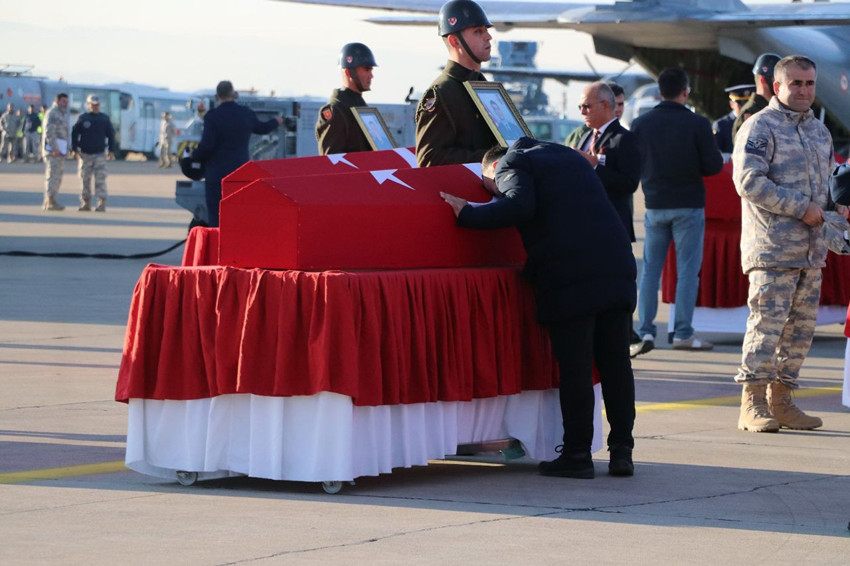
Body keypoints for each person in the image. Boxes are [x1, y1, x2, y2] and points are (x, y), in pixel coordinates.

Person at [440, 138, 637, 478]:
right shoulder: (567, 157)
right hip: (617, 267)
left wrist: (469, 212)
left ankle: (577, 455)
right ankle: (622, 452)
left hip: (572, 277)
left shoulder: (511, 163)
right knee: (616, 364)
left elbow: (519, 205)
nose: (495, 191)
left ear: (492, 168)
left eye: (491, 186)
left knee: (576, 367)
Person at [732, 55, 850, 432]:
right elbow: (749, 182)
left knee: (799, 334)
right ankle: (752, 403)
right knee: (766, 328)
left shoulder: (819, 131)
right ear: (777, 86)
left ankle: (782, 401)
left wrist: (837, 208)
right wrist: (802, 208)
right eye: (796, 83)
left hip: (812, 251)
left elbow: (827, 188)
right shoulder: (759, 127)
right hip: (773, 249)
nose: (804, 90)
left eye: (809, 83)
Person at [630, 67, 724, 357]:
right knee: (687, 272)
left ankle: (645, 330)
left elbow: (634, 163)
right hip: (688, 205)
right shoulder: (698, 123)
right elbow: (713, 166)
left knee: (650, 272)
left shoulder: (641, 123)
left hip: (655, 205)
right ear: (686, 92)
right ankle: (683, 333)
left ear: (659, 92)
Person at [415, 0, 497, 167]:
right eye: (478, 31)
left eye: (486, 30)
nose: (488, 37)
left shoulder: (484, 87)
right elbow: (429, 159)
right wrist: (491, 158)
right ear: (455, 41)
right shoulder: (442, 93)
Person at [191, 80, 284, 227]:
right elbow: (263, 128)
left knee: (216, 216)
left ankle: (219, 241)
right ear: (234, 95)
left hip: (217, 176)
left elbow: (207, 146)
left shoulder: (212, 117)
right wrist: (277, 121)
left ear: (217, 97)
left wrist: (194, 155)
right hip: (240, 174)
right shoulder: (246, 113)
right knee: (238, 215)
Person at [315, 42, 377, 155]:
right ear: (349, 72)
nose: (371, 76)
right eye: (367, 69)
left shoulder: (362, 108)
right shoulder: (336, 111)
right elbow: (331, 160)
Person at [71, 94, 116, 212]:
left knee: (100, 180)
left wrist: (111, 150)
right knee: (84, 180)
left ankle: (101, 203)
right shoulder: (83, 118)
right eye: (92, 105)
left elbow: (111, 135)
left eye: (97, 105)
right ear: (88, 105)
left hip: (99, 154)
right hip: (85, 155)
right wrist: (74, 149)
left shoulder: (104, 119)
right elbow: (74, 133)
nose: (95, 107)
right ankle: (86, 202)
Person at [731, 53, 781, 143]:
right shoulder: (751, 113)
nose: (781, 83)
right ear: (763, 80)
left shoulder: (775, 109)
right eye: (777, 79)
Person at [41, 93, 70, 211]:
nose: (65, 104)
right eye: (63, 101)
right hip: (53, 151)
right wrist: (54, 148)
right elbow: (49, 132)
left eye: (66, 102)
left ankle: (49, 201)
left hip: (60, 151)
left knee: (57, 176)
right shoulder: (52, 113)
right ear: (57, 101)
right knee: (53, 176)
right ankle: (50, 201)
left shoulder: (61, 114)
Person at [712, 84, 754, 156]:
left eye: (746, 103)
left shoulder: (754, 122)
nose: (744, 107)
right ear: (731, 104)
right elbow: (714, 153)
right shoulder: (721, 125)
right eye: (740, 104)